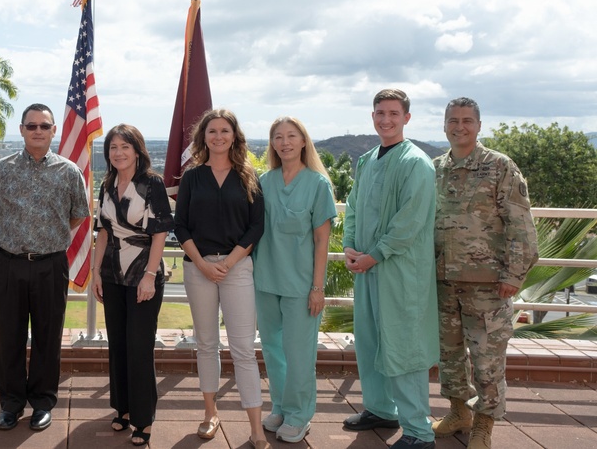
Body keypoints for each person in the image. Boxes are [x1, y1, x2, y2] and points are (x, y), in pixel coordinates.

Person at [431, 97, 539, 449]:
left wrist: (514, 274)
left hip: (489, 286)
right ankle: (459, 411)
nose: (459, 126)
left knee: (487, 361)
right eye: (452, 120)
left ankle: (484, 424)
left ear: (478, 125)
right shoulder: (435, 168)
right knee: (450, 356)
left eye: (466, 120)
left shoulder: (499, 166)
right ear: (444, 124)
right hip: (443, 283)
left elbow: (521, 225)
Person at [342, 89, 438, 449]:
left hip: (400, 273)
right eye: (380, 112)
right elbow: (352, 206)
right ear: (372, 116)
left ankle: (418, 431)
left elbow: (409, 223)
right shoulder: (367, 160)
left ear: (407, 118)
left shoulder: (416, 163)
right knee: (370, 342)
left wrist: (375, 255)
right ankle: (381, 409)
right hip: (367, 269)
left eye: (394, 113)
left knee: (404, 347)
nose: (386, 119)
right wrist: (351, 247)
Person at [0, 103, 89, 432]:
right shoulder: (3, 169)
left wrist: (47, 236)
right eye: (32, 126)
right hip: (9, 264)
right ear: (22, 130)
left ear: (54, 131)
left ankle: (43, 402)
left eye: (44, 126)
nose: (38, 131)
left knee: (48, 336)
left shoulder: (69, 171)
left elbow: (77, 215)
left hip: (50, 265)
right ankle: (11, 403)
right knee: (9, 337)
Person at [174, 109, 266, 449]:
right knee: (207, 344)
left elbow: (257, 225)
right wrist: (200, 262)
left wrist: (228, 262)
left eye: (224, 130)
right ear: (204, 137)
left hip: (237, 267)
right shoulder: (192, 177)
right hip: (198, 267)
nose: (218, 136)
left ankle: (255, 427)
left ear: (234, 136)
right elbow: (180, 224)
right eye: (212, 131)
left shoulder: (248, 176)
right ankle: (210, 413)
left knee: (243, 348)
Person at [252, 116, 336, 444]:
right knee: (273, 349)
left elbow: (321, 242)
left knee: (299, 352)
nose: (285, 142)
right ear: (272, 144)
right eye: (278, 137)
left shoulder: (317, 184)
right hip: (266, 280)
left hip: (301, 286)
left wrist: (318, 288)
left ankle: (300, 414)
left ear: (304, 142)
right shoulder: (264, 181)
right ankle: (281, 407)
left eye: (291, 136)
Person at [91, 124, 174, 446]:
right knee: (119, 346)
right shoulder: (107, 184)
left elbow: (159, 234)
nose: (119, 153)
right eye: (113, 147)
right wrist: (96, 272)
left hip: (143, 274)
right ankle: (122, 409)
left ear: (138, 150)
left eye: (125, 147)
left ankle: (143, 420)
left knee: (139, 348)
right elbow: (103, 232)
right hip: (112, 274)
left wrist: (150, 276)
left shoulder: (151, 184)